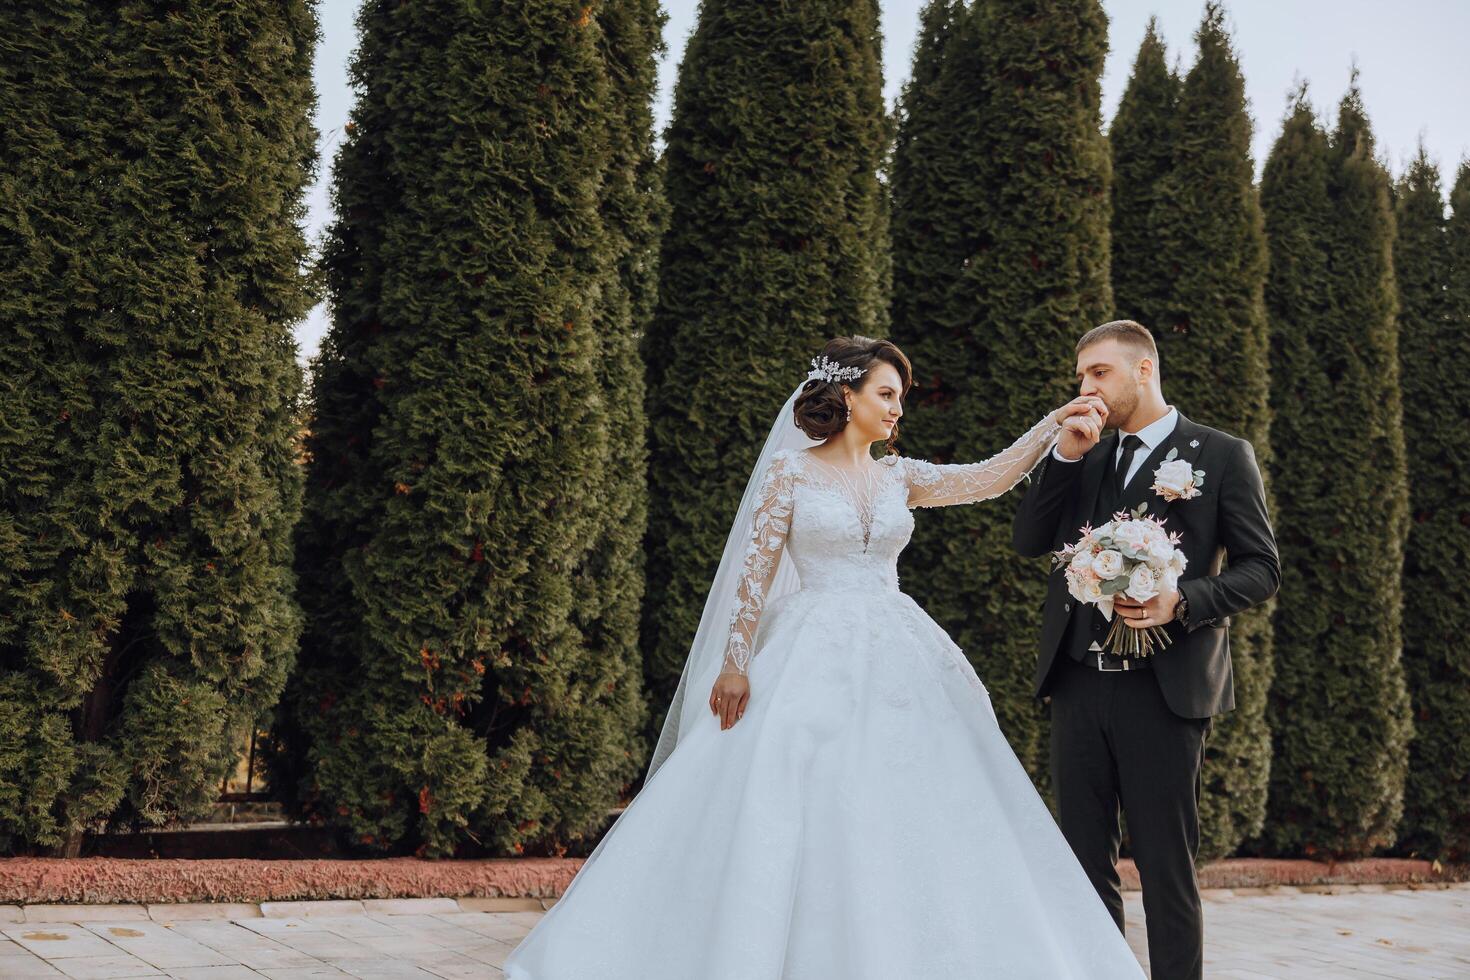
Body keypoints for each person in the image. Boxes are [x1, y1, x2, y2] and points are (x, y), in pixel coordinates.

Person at [504, 336, 1144, 979]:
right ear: (846, 395)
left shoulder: (901, 475)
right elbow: (755, 573)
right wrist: (734, 663)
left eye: (900, 398)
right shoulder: (792, 472)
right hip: (809, 644)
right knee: (790, 787)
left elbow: (988, 477)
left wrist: (1053, 425)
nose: (897, 409)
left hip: (898, 647)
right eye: (886, 394)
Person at [1013, 319, 1280, 980]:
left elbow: (1260, 568)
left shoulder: (1219, 456)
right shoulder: (1088, 454)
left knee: (1166, 866)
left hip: (1163, 689)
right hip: (1078, 682)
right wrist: (1067, 456)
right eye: (1081, 377)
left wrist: (1182, 601)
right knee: (1082, 863)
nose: (1086, 389)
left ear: (1142, 370)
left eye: (1098, 373)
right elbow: (1029, 539)